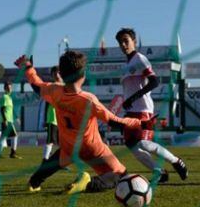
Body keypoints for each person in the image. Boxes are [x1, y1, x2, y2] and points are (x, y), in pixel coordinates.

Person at [16, 51, 155, 194]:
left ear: (62, 74)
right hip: (93, 149)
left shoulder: (55, 91)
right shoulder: (88, 100)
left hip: (68, 149)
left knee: (37, 179)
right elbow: (115, 122)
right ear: (83, 75)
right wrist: (139, 123)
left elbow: (36, 85)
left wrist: (28, 68)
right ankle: (88, 183)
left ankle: (34, 182)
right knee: (122, 175)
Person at [115, 28, 188, 182]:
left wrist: (133, 98)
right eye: (120, 42)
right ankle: (159, 172)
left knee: (143, 142)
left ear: (134, 42)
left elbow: (155, 81)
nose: (123, 44)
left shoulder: (140, 59)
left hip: (143, 110)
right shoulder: (125, 66)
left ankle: (175, 161)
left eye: (126, 41)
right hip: (130, 113)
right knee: (131, 145)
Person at [42, 66, 61, 161]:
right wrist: (45, 120)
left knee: (62, 143)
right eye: (54, 74)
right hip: (52, 118)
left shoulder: (64, 87)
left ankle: (59, 162)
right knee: (50, 141)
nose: (56, 75)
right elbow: (47, 103)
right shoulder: (52, 87)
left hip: (60, 120)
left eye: (58, 72)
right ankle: (44, 160)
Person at [0, 81, 21, 159]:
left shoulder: (9, 98)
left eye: (10, 87)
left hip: (9, 120)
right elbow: (2, 109)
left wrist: (16, 117)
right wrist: (5, 120)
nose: (9, 89)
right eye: (8, 87)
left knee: (4, 137)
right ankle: (13, 153)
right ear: (4, 88)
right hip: (7, 120)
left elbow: (10, 110)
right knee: (14, 136)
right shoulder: (5, 97)